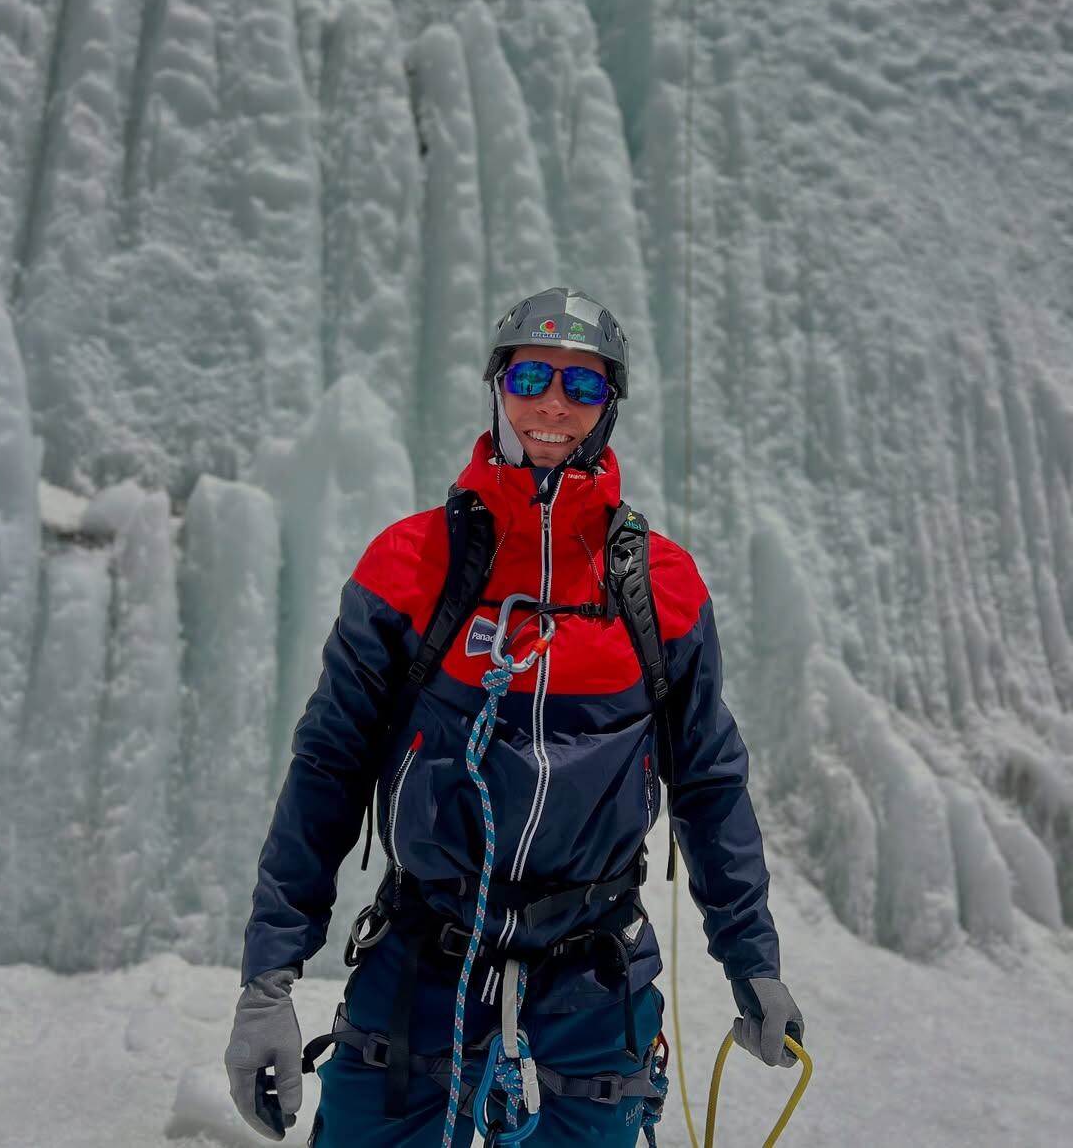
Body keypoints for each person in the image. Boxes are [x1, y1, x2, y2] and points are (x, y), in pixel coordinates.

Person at [224, 287, 804, 1147]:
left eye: (586, 386)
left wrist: (752, 963)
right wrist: (267, 981)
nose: (554, 404)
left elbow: (711, 786)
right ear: (498, 384)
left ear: (612, 406)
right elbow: (328, 773)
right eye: (532, 374)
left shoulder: (664, 589)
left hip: (593, 975)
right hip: (423, 958)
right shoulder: (406, 566)